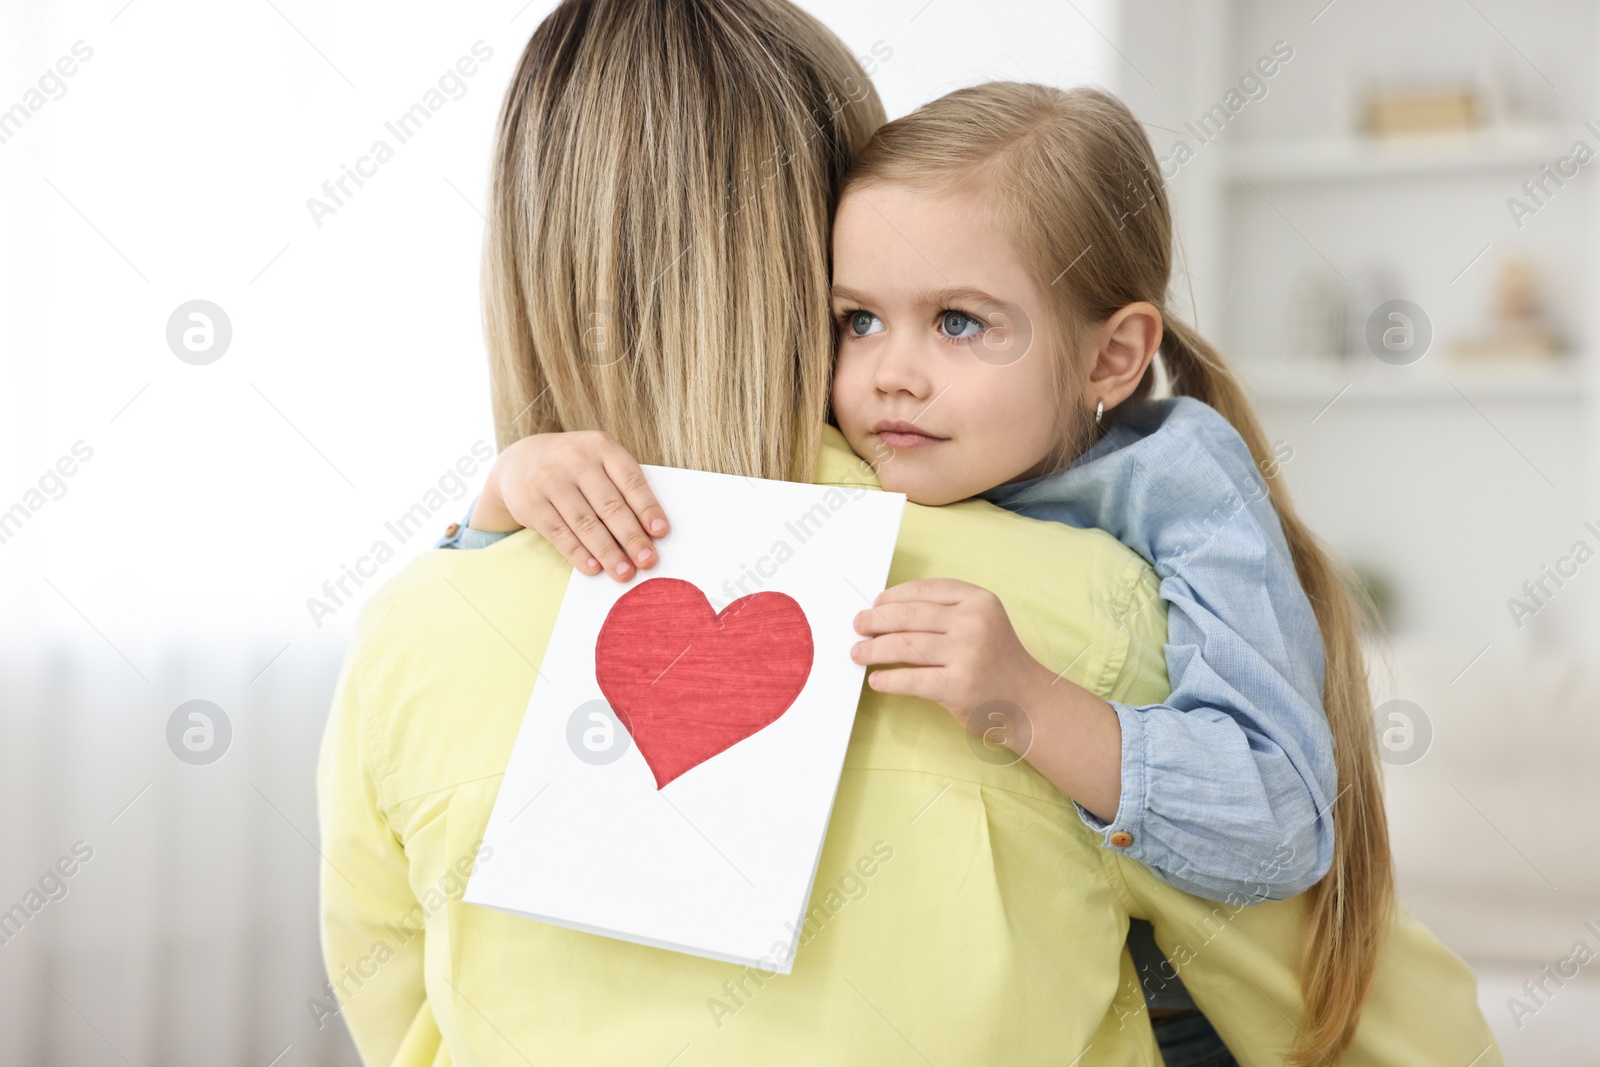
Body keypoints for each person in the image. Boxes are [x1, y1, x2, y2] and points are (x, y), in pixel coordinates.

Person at [318, 2, 1500, 1064]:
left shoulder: (416, 627)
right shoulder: (1085, 603)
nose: (897, 373)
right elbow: (1365, 1018)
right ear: (810, 250)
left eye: (957, 320)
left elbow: (406, 1011)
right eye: (861, 319)